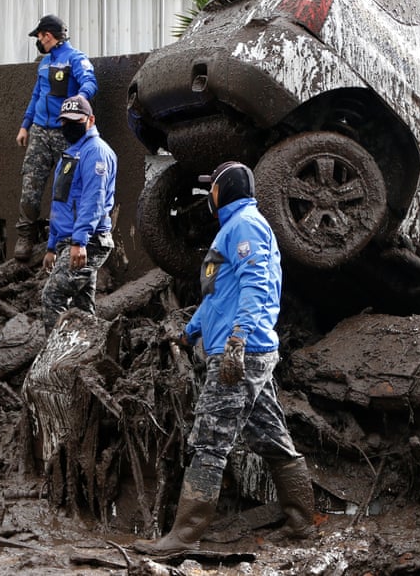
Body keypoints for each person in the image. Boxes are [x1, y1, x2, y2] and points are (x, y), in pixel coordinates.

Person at [132, 161, 316, 555]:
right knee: (271, 437)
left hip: (240, 354)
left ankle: (183, 536)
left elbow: (257, 286)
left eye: (211, 188)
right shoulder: (230, 231)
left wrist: (237, 339)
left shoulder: (246, 225)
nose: (208, 196)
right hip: (243, 350)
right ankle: (302, 522)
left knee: (210, 440)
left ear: (225, 189)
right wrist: (188, 332)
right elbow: (217, 298)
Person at [14, 14, 98, 262]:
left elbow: (90, 84)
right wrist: (25, 125)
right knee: (31, 181)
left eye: (39, 36)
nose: (38, 41)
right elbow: (36, 94)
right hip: (40, 130)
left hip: (65, 131)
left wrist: (76, 104)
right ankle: (25, 236)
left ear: (47, 36)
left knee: (67, 185)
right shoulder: (43, 62)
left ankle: (64, 237)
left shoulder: (76, 59)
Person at [40, 96, 118, 331]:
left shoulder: (96, 152)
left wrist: (79, 241)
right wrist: (52, 246)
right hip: (72, 241)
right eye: (64, 121)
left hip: (89, 241)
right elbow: (60, 202)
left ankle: (54, 361)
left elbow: (93, 200)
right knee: (84, 307)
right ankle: (87, 359)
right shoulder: (72, 153)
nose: (68, 125)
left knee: (52, 297)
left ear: (90, 120)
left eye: (75, 120)